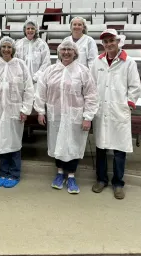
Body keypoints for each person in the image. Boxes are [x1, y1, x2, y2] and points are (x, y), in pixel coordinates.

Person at [34, 40, 98, 194]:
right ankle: (59, 173)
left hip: (75, 117)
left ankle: (71, 176)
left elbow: (91, 95)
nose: (66, 52)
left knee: (73, 145)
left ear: (75, 53)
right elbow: (41, 92)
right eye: (63, 49)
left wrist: (88, 117)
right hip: (55, 115)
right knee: (58, 144)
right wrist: (40, 111)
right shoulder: (50, 71)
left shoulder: (83, 71)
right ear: (59, 52)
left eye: (70, 49)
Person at [90, 29, 141, 200]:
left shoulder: (129, 62)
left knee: (119, 149)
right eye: (105, 42)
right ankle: (101, 179)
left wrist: (129, 105)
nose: (109, 44)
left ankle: (118, 183)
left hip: (119, 111)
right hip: (101, 110)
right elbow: (91, 86)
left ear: (118, 41)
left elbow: (135, 86)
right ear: (102, 45)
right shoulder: (97, 62)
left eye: (111, 40)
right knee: (101, 147)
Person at [0, 37, 34, 188]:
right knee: (2, 140)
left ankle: (14, 173)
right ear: (0, 48)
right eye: (4, 46)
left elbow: (29, 89)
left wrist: (25, 109)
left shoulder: (20, 65)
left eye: (9, 47)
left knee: (14, 141)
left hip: (15, 110)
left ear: (13, 49)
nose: (6, 49)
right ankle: (3, 172)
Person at [15, 19, 51, 85]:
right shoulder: (18, 44)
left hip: (38, 82)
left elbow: (46, 63)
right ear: (25, 30)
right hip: (21, 81)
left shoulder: (42, 44)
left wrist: (36, 78)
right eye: (28, 28)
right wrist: (22, 77)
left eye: (32, 28)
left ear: (36, 30)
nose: (30, 30)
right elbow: (15, 63)